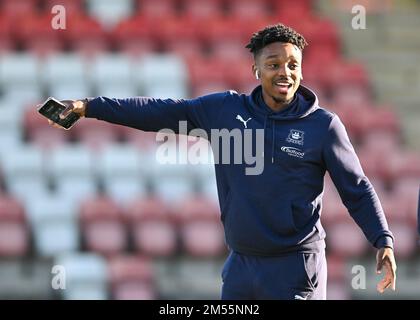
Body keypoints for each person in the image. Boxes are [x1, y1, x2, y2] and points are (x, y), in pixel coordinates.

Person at [47, 23, 396, 300]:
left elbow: (357, 188)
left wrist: (382, 239)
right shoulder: (224, 111)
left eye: (293, 65)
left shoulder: (324, 126)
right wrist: (90, 107)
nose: (285, 73)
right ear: (256, 69)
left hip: (295, 268)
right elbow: (159, 111)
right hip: (241, 266)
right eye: (273, 64)